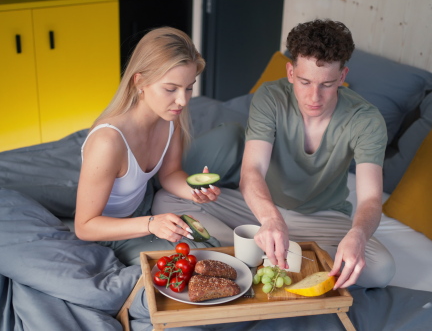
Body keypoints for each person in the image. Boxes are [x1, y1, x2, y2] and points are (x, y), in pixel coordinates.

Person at [153, 19, 395, 289]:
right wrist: (271, 220)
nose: (314, 97)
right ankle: (286, 254)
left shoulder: (367, 119)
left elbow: (371, 198)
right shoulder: (270, 97)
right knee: (167, 200)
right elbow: (252, 171)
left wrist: (358, 236)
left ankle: (254, 253)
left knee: (381, 269)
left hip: (324, 218)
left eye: (327, 84)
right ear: (290, 72)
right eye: (305, 81)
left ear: (342, 76)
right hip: (262, 211)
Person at [75, 27, 221, 266]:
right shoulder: (108, 142)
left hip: (144, 208)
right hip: (109, 232)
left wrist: (196, 192)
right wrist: (152, 223)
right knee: (194, 261)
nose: (183, 101)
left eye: (189, 87)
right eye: (170, 89)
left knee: (210, 247)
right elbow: (84, 227)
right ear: (139, 81)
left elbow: (170, 174)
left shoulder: (169, 118)